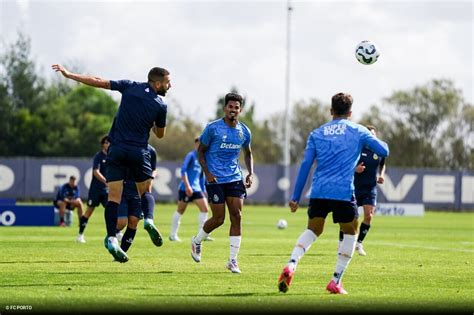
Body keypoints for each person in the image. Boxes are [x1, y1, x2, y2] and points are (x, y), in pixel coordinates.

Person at [52, 64, 171, 263]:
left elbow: (99, 81)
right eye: (167, 82)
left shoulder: (129, 86)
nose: (170, 86)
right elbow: (160, 134)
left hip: (116, 150)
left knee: (113, 198)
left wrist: (69, 74)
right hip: (139, 151)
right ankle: (149, 220)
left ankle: (111, 239)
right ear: (157, 83)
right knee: (146, 191)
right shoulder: (160, 104)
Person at [277, 93, 389, 294]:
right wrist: (369, 137)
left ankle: (292, 264)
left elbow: (305, 166)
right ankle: (335, 280)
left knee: (313, 230)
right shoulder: (358, 130)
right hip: (343, 192)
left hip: (319, 191)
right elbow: (384, 151)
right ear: (351, 112)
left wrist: (295, 197)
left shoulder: (317, 133)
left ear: (331, 111)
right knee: (351, 232)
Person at [190, 92, 254, 274]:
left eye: (236, 107)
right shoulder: (212, 128)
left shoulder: (244, 131)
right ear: (225, 108)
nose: (233, 110)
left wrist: (250, 172)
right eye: (230, 107)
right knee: (219, 219)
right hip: (215, 179)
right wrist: (208, 173)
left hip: (234, 178)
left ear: (240, 110)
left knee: (237, 216)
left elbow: (248, 153)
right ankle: (197, 240)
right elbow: (200, 152)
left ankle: (233, 260)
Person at [339, 125, 386, 256]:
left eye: (373, 135)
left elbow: (382, 164)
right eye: (369, 134)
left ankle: (359, 243)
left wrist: (381, 175)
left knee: (369, 216)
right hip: (354, 187)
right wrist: (355, 169)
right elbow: (345, 165)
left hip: (370, 187)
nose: (371, 137)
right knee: (349, 217)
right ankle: (341, 241)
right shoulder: (356, 148)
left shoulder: (379, 150)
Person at [114, 144, 158, 254]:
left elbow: (154, 169)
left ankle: (122, 252)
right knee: (121, 222)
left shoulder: (151, 150)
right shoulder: (125, 147)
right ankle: (110, 236)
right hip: (123, 190)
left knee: (133, 222)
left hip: (139, 192)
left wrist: (150, 180)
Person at [169, 137, 213, 242]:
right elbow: (183, 171)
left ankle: (202, 235)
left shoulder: (203, 157)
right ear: (195, 144)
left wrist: (203, 189)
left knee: (205, 209)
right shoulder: (191, 155)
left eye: (200, 144)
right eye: (197, 143)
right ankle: (172, 235)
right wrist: (187, 186)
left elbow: (201, 176)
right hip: (186, 188)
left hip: (197, 189)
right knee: (180, 210)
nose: (198, 145)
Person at [77, 135, 110, 243]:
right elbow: (96, 172)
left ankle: (115, 233)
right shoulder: (98, 156)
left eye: (109, 142)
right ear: (102, 144)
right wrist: (106, 181)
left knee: (111, 210)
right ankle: (80, 235)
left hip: (106, 190)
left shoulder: (112, 156)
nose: (108, 144)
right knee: (89, 212)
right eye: (106, 142)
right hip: (96, 189)